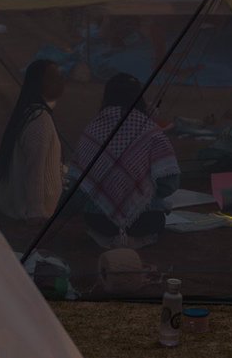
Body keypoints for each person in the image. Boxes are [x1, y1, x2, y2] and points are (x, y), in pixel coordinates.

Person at [68, 73, 180, 247]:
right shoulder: (150, 132)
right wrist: (146, 196)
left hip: (99, 222)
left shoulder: (92, 130)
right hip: (143, 222)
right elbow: (169, 183)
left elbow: (77, 183)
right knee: (156, 217)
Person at [0, 59, 64, 221]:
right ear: (40, 84)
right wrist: (36, 211)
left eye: (61, 76)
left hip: (18, 200)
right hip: (37, 204)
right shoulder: (40, 120)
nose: (61, 81)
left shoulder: (28, 111)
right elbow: (35, 170)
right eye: (54, 78)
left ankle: (2, 197)